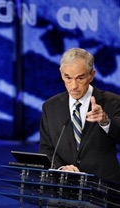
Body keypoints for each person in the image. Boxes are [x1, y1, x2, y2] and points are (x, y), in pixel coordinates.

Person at [39, 47, 120, 183]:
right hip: (64, 186)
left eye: (80, 78)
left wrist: (106, 121)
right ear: (61, 73)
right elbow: (46, 148)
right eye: (68, 78)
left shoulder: (112, 102)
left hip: (103, 186)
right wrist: (61, 168)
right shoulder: (50, 106)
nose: (73, 86)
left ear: (91, 75)